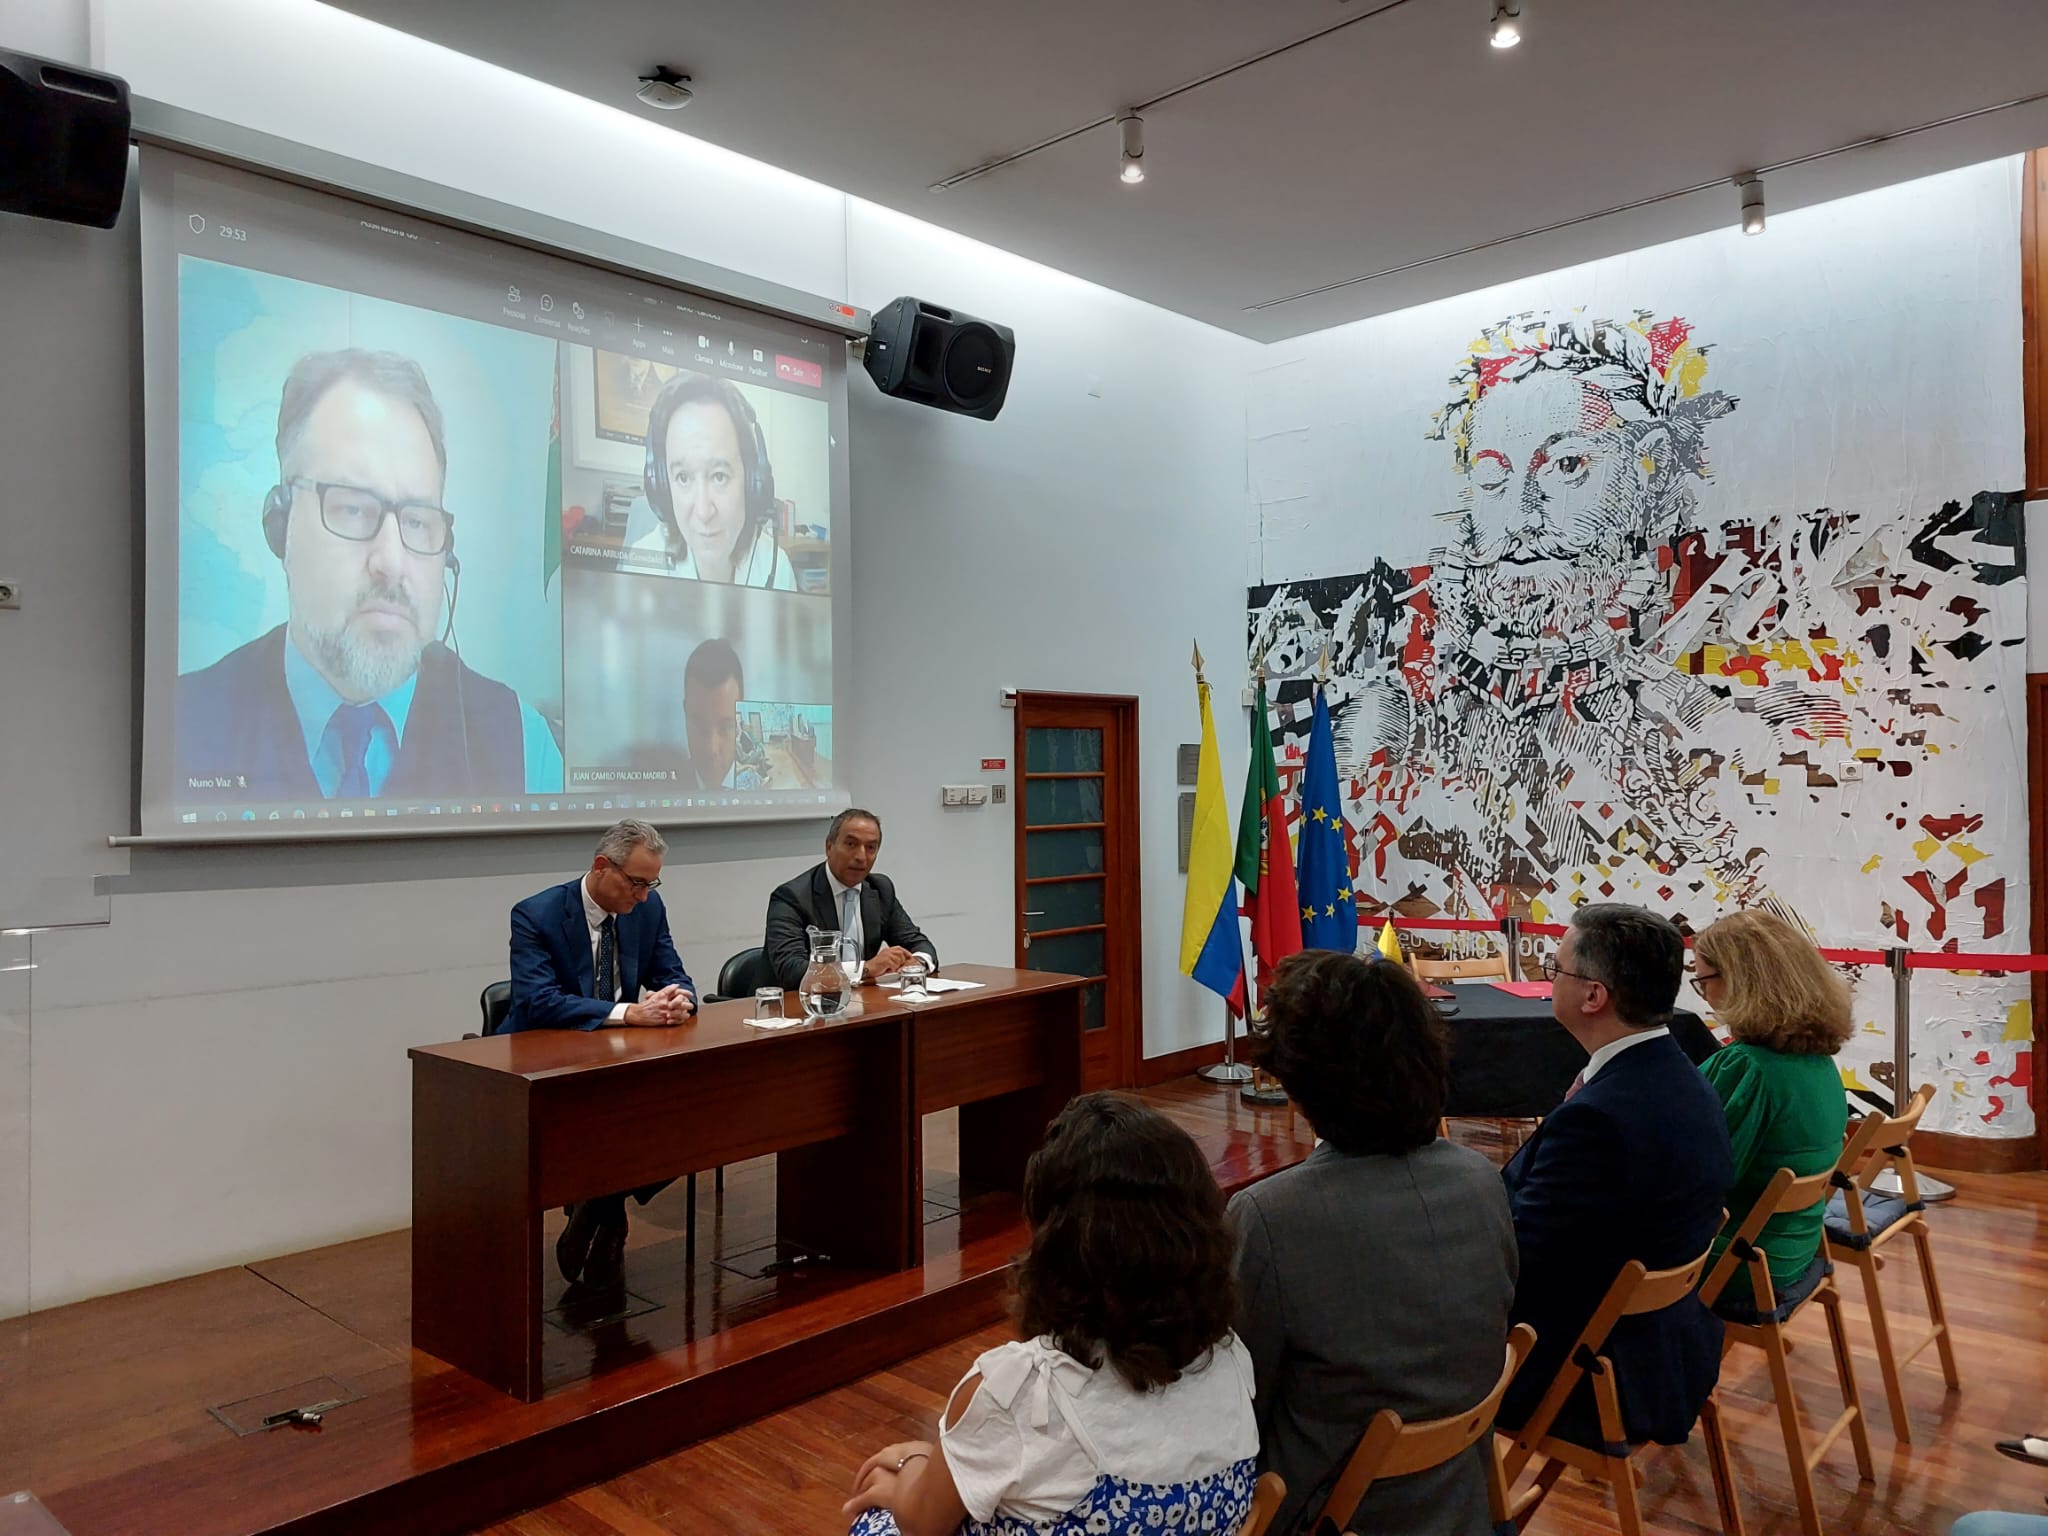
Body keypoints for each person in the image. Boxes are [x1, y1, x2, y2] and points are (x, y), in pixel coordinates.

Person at [842, 1093, 1258, 1536]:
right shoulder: (1231, 1361)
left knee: (875, 1518)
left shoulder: (1018, 1391)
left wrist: (910, 1469)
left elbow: (922, 1523)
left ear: (1055, 1244)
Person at [178, 348, 564, 802]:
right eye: (354, 508)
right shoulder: (180, 726)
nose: (392, 560)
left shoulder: (521, 745)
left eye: (418, 521)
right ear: (281, 526)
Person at [1230, 950, 1517, 1536]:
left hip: (1331, 1510)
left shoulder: (1271, 1216)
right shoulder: (1481, 1179)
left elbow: (1234, 1405)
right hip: (1459, 1499)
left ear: (1298, 1079)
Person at [1499, 902, 1732, 1446]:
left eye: (1556, 969)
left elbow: (1520, 1259)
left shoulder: (1599, 1119)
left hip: (1591, 1372)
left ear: (1593, 996)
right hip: (1666, 1348)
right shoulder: (1684, 1076)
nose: (1549, 979)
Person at [502, 820, 696, 1294]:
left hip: (617, 1060)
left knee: (694, 1118)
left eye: (652, 884)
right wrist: (627, 1012)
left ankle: (595, 1205)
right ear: (601, 867)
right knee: (607, 1125)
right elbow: (538, 1000)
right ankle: (610, 1224)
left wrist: (679, 999)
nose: (644, 896)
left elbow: (675, 973)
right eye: (636, 883)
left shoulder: (647, 912)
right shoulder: (537, 914)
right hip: (544, 1061)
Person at [1691, 909, 1853, 1300]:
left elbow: (1701, 1178)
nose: (1705, 994)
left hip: (1743, 1258)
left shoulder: (1748, 1067)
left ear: (1740, 982)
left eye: (1703, 981)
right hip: (1793, 1247)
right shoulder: (1818, 1060)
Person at [640, 371, 797, 589]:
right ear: (663, 486)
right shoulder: (643, 566)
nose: (704, 513)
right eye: (683, 477)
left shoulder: (776, 568)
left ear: (751, 482)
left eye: (719, 476)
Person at [764, 809, 935, 988]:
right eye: (851, 844)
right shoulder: (792, 897)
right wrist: (865, 969)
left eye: (870, 848)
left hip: (861, 1004)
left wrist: (916, 963)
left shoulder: (880, 890)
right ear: (829, 846)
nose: (861, 857)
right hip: (795, 1007)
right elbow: (791, 970)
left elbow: (919, 944)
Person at [680, 638, 764, 792]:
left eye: (725, 728)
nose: (712, 749)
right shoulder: (658, 793)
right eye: (700, 727)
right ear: (685, 713)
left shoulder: (765, 787)